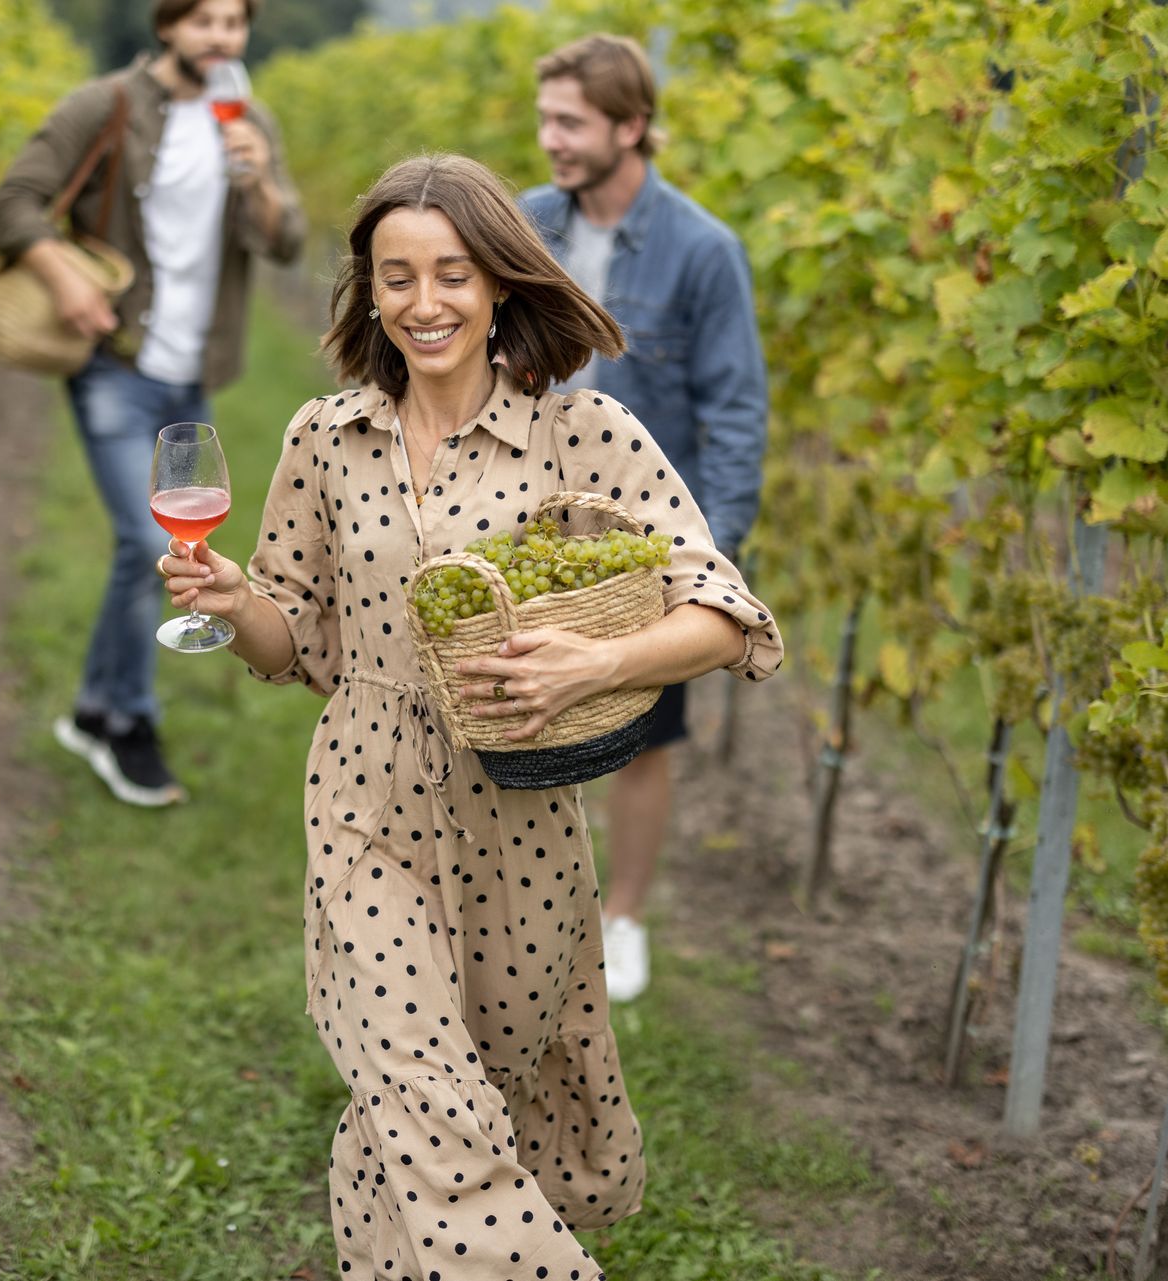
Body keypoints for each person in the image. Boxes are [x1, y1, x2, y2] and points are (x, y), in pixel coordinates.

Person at [159, 153, 781, 1279]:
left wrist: (593, 665)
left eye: (451, 273)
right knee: (421, 1091)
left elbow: (730, 617)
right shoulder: (324, 438)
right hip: (365, 799)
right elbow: (294, 641)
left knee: (453, 1103)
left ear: (498, 282)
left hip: (523, 817)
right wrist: (234, 599)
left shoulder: (584, 433)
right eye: (396, 277)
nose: (424, 302)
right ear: (369, 291)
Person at [0, 0, 306, 807]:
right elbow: (17, 201)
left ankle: (93, 711)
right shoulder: (107, 105)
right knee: (147, 541)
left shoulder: (249, 116)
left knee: (148, 544)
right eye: (205, 21)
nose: (222, 38)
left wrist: (259, 178)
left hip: (188, 374)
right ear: (167, 25)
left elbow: (286, 239)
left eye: (235, 24)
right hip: (115, 361)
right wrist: (67, 283)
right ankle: (130, 722)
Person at [519, 34, 770, 1003]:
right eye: (546, 119)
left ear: (630, 127)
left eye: (570, 123)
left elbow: (735, 409)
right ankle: (535, 903)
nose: (551, 141)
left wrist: (714, 559)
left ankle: (619, 919)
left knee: (642, 735)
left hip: (644, 542)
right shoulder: (527, 223)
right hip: (529, 525)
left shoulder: (704, 250)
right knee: (526, 713)